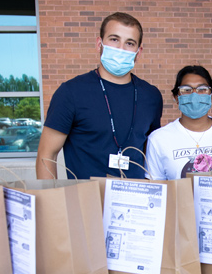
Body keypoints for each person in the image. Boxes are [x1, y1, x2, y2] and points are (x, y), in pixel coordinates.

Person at [36, 12, 163, 179]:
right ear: (99, 44)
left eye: (129, 43)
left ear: (138, 52)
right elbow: (47, 156)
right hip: (85, 201)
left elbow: (150, 153)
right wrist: (51, 203)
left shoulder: (151, 96)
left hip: (136, 201)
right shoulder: (71, 92)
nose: (121, 49)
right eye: (114, 39)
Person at [146, 66, 212, 180]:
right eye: (186, 90)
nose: (194, 95)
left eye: (202, 89)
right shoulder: (159, 139)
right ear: (176, 97)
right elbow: (156, 189)